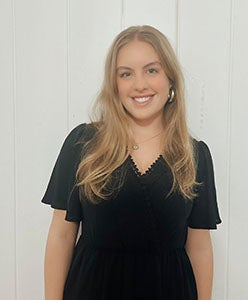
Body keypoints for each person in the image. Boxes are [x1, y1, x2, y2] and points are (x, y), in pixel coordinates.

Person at [42, 25, 221, 300]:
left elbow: (199, 247)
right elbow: (61, 236)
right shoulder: (84, 145)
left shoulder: (194, 156)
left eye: (152, 70)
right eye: (126, 74)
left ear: (170, 79)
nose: (140, 84)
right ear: (114, 85)